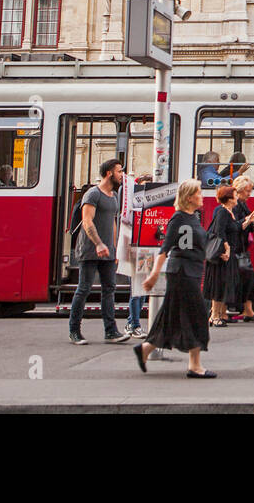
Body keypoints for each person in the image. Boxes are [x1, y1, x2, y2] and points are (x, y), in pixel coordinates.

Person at [134, 181, 216, 377]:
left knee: (172, 316)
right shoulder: (178, 219)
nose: (202, 196)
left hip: (191, 272)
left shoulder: (193, 217)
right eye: (198, 193)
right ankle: (194, 365)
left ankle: (145, 349)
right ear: (189, 197)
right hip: (182, 272)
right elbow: (165, 249)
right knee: (197, 315)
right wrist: (154, 274)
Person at [69, 158, 132, 345]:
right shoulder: (92, 194)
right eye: (119, 171)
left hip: (107, 251)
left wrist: (114, 248)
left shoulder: (113, 196)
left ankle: (111, 331)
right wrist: (98, 244)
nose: (122, 175)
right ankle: (74, 331)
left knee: (109, 289)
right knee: (84, 289)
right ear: (109, 173)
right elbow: (87, 222)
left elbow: (113, 222)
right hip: (90, 250)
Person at [116, 171, 152, 338]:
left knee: (142, 289)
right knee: (136, 290)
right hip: (135, 248)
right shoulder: (133, 208)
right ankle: (133, 323)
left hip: (146, 249)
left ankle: (134, 323)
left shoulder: (149, 208)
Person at [226, 176, 254, 322]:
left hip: (240, 248)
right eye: (247, 191)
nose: (249, 194)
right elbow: (235, 226)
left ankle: (247, 310)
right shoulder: (235, 206)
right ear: (239, 190)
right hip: (235, 248)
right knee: (244, 278)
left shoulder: (242, 204)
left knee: (247, 279)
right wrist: (250, 219)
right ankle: (242, 310)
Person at [204, 185, 238, 326]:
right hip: (220, 256)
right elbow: (219, 231)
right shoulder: (222, 212)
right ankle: (214, 316)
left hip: (223, 255)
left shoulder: (228, 212)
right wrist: (226, 249)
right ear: (229, 199)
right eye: (235, 195)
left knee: (221, 285)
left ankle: (216, 315)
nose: (237, 198)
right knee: (218, 286)